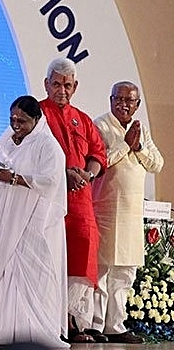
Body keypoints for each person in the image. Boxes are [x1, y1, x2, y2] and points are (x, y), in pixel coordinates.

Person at [0, 95, 68, 348]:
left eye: (23, 121)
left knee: (31, 274)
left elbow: (50, 181)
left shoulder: (48, 145)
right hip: (4, 218)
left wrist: (14, 177)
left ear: (36, 120)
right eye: (12, 119)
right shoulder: (7, 138)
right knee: (2, 268)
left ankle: (35, 332)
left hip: (32, 221)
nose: (16, 125)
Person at [39, 57, 107, 343]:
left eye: (67, 85)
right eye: (56, 84)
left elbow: (98, 154)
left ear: (75, 86)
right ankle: (52, 323)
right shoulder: (38, 114)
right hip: (48, 202)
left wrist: (88, 175)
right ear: (46, 84)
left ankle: (74, 325)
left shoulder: (83, 118)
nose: (62, 90)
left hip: (80, 205)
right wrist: (63, 173)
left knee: (81, 258)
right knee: (50, 261)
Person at [89, 81, 163, 344]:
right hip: (106, 210)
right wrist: (126, 145)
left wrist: (139, 146)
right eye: (118, 99)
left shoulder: (140, 130)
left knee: (125, 272)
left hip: (131, 213)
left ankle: (115, 325)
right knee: (102, 270)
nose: (123, 104)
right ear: (110, 100)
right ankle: (94, 326)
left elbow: (158, 164)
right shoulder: (100, 125)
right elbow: (101, 161)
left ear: (137, 105)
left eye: (129, 100)